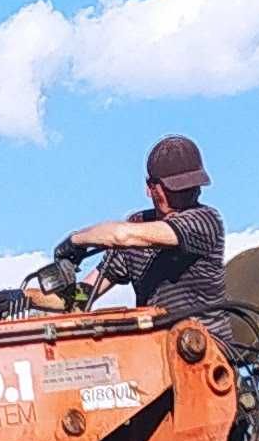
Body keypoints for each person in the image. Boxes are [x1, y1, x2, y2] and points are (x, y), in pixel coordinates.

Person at [34, 134, 226, 319]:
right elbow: (84, 295)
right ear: (150, 188)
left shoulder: (204, 220)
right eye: (175, 189)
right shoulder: (137, 225)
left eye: (191, 188)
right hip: (152, 345)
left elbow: (121, 236)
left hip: (203, 345)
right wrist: (25, 298)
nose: (185, 197)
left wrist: (75, 241)